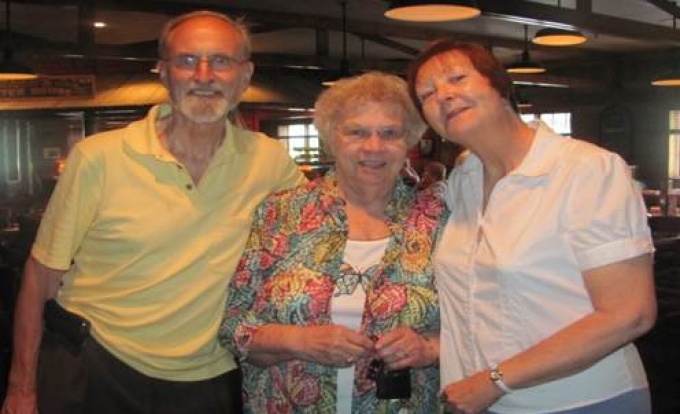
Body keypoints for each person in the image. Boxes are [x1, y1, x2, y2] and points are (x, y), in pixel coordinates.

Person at [2, 10, 305, 414]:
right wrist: (21, 388)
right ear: (163, 73)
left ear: (244, 75)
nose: (203, 74)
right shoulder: (99, 158)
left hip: (211, 374)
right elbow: (41, 277)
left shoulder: (270, 162)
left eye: (220, 61)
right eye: (186, 60)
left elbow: (322, 235)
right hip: (96, 365)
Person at [407, 39, 656, 414]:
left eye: (457, 78)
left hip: (581, 401)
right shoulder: (464, 182)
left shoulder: (585, 170)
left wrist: (496, 380)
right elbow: (484, 304)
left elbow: (629, 314)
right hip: (480, 402)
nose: (443, 95)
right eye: (427, 94)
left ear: (500, 87)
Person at [219, 72, 448, 413]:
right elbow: (233, 324)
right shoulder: (280, 214)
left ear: (410, 140)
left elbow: (479, 323)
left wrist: (429, 348)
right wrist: (299, 341)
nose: (373, 146)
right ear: (331, 138)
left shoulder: (438, 220)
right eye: (356, 132)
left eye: (390, 133)